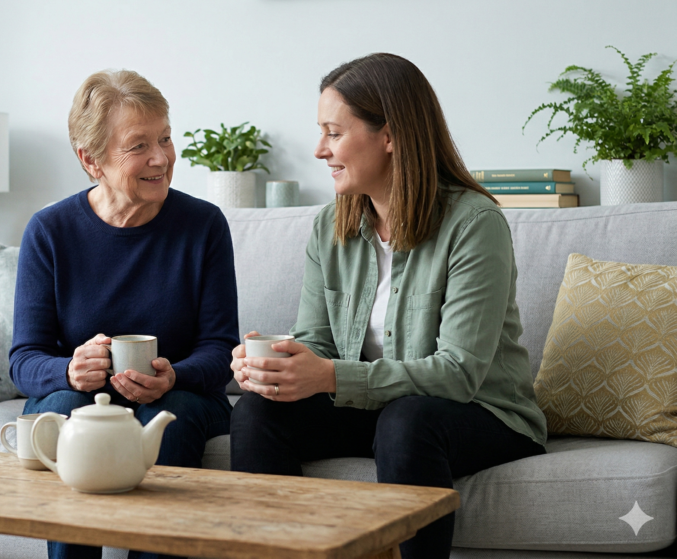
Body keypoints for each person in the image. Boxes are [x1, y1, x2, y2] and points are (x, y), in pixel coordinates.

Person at [227, 53, 548, 559]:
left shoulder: (473, 223)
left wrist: (330, 377)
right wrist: (277, 365)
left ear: (391, 136)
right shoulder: (328, 227)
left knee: (408, 421)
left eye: (334, 133)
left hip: (482, 413)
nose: (319, 150)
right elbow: (318, 341)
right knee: (257, 413)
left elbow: (459, 372)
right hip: (380, 409)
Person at [10, 69, 237, 559]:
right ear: (91, 160)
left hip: (182, 396)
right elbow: (24, 359)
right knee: (65, 415)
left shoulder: (204, 226)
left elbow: (221, 350)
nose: (162, 158)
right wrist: (69, 370)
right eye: (139, 146)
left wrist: (174, 374)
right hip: (83, 400)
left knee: (168, 416)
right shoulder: (50, 231)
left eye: (165, 138)